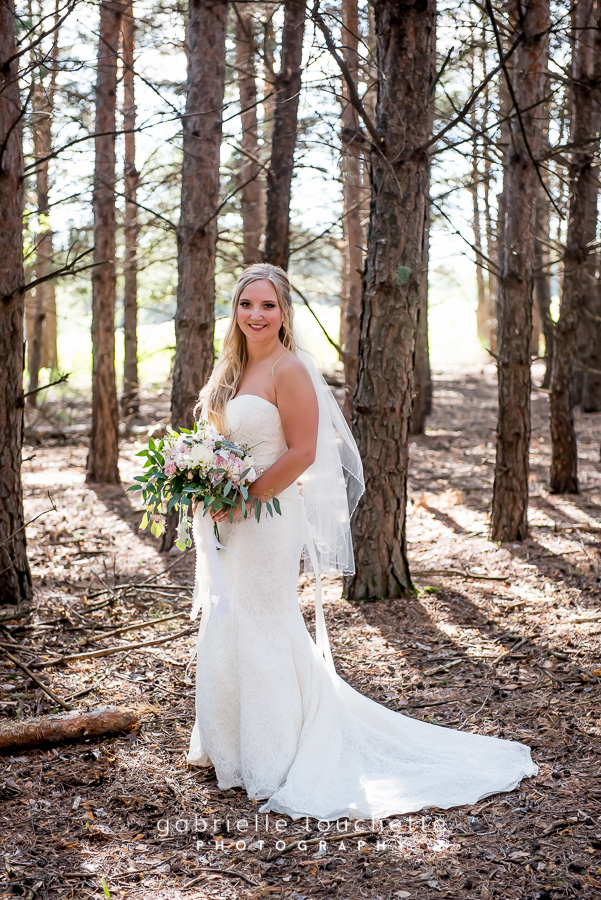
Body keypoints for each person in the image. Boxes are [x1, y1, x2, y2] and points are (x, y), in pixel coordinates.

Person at [186, 263, 537, 821]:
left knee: (263, 623)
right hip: (230, 518)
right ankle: (230, 745)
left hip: (268, 517)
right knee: (228, 619)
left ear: (284, 312)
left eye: (268, 305)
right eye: (247, 304)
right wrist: (204, 484)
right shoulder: (230, 369)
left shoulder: (289, 369)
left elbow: (302, 453)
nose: (256, 315)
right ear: (235, 311)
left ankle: (272, 755)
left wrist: (245, 497)